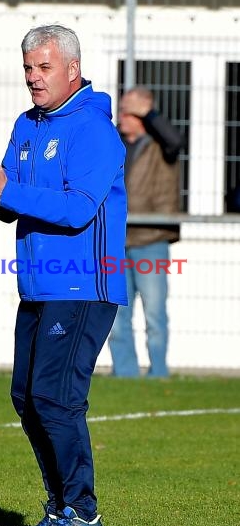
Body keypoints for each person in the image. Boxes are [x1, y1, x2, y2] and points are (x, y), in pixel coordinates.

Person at [0, 24, 127, 526]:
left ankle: (85, 516)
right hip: (38, 285)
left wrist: (8, 189)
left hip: (85, 286)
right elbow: (13, 208)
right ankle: (59, 508)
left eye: (43, 67)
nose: (33, 77)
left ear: (73, 69)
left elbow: (76, 212)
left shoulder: (94, 129)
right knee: (27, 397)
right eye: (28, 67)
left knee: (56, 397)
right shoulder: (27, 125)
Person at [108, 86, 184, 378]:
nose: (123, 116)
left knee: (154, 314)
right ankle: (125, 374)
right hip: (115, 241)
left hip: (151, 240)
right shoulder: (114, 144)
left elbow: (176, 139)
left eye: (130, 111)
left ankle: (158, 374)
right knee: (117, 315)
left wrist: (148, 112)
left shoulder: (161, 145)